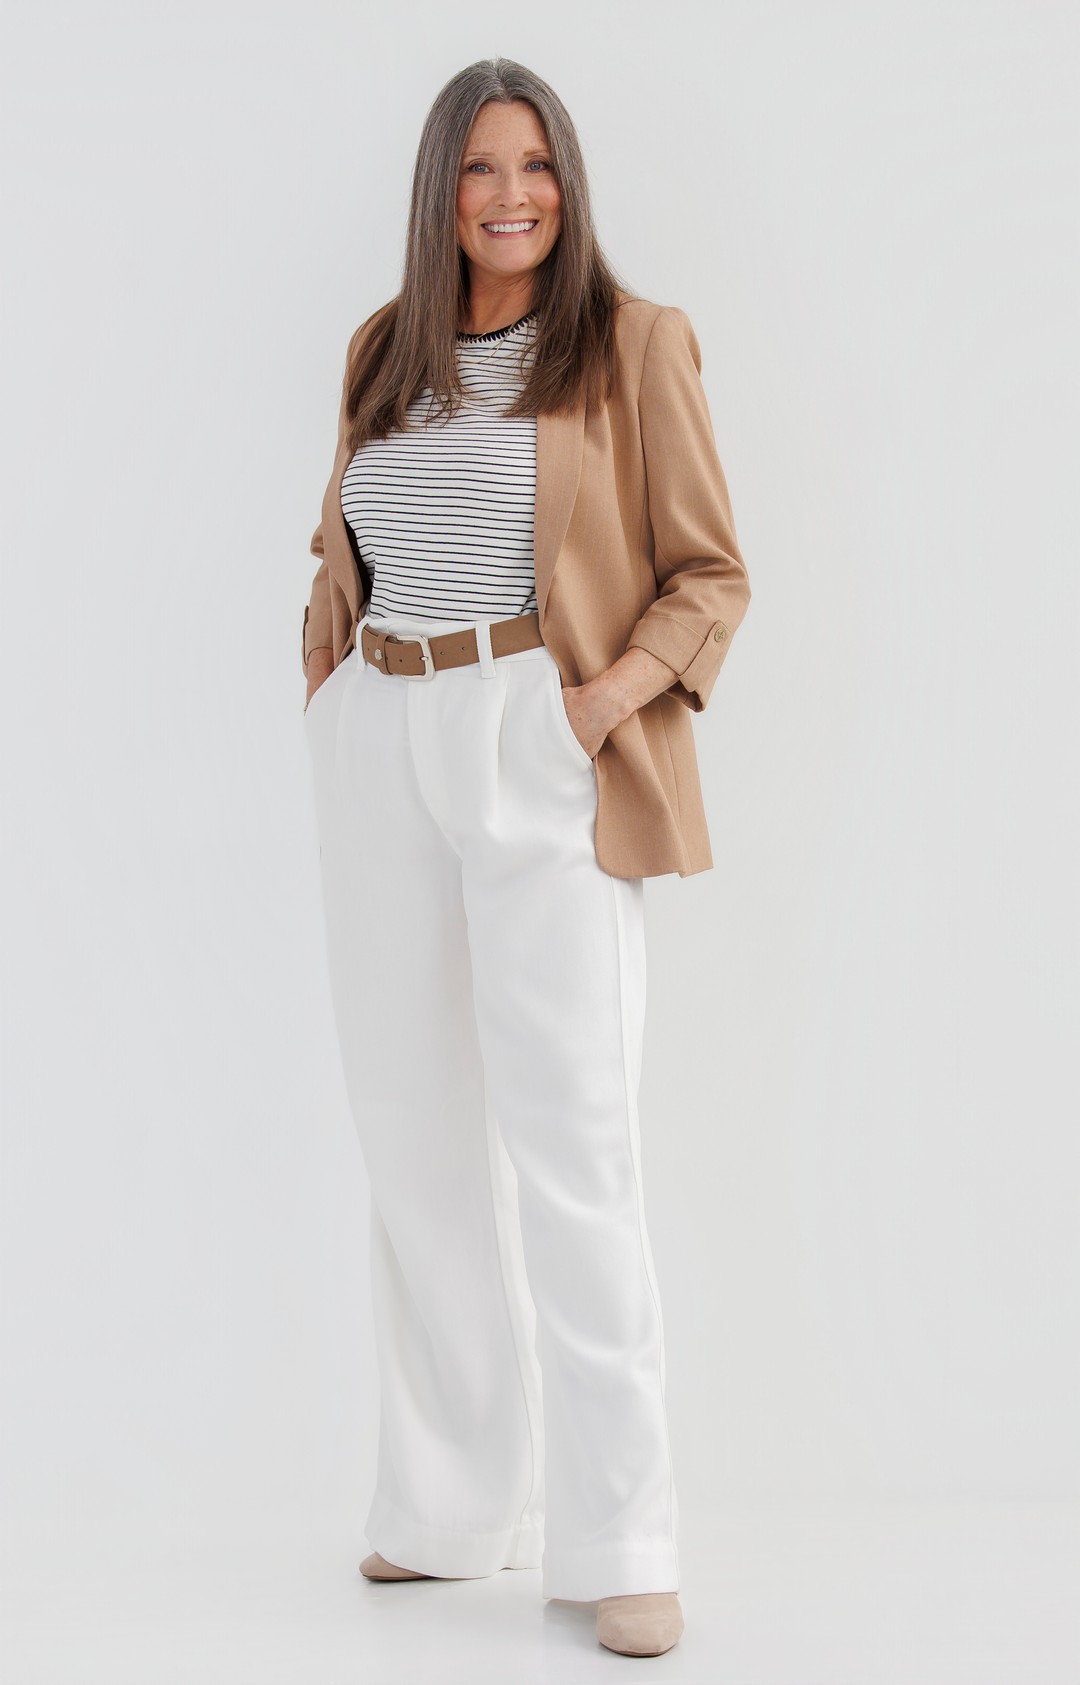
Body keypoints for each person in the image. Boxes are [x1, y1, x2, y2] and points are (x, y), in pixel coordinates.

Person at [300, 56, 751, 1661]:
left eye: (536, 164)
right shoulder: (386, 350)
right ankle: (444, 1506)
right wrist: (330, 692)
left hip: (533, 737)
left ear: (568, 181)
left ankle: (622, 1538)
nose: (511, 196)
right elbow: (344, 543)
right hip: (381, 738)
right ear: (442, 192)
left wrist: (596, 708)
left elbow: (710, 574)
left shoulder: (631, 343)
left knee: (574, 1144)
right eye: (481, 168)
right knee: (411, 1138)